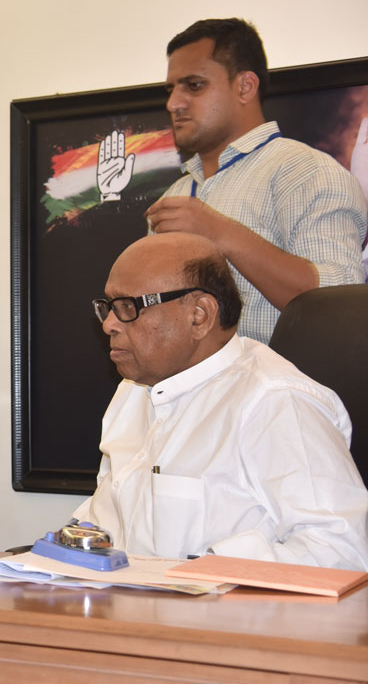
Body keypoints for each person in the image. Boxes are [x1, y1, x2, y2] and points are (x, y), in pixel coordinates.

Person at [73, 232, 368, 570]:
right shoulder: (133, 391)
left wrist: (206, 571)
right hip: (125, 610)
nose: (110, 324)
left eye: (128, 307)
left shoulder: (275, 401)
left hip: (222, 618)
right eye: (108, 308)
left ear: (199, 314)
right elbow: (105, 520)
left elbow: (343, 552)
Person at [145, 18, 366, 344]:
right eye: (171, 89)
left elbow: (338, 310)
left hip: (282, 394)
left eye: (193, 85)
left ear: (245, 87)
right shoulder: (175, 195)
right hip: (184, 394)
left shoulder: (305, 171)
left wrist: (218, 231)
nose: (173, 103)